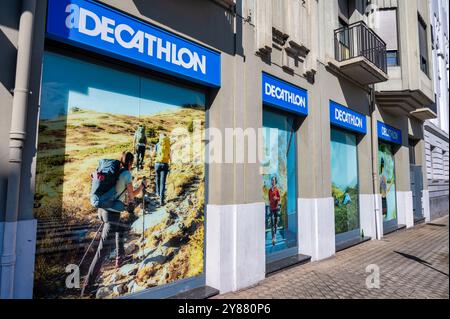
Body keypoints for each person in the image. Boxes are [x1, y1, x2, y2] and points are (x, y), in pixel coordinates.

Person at [81, 152, 147, 297]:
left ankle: (120, 257)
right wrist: (141, 187)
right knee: (102, 250)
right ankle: (87, 286)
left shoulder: (114, 170)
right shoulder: (127, 174)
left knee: (120, 229)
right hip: (112, 213)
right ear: (130, 162)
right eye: (132, 162)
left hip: (102, 209)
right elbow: (132, 195)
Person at [152, 133, 171, 206]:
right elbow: (170, 156)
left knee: (157, 178)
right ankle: (161, 200)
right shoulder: (168, 145)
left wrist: (152, 152)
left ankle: (157, 193)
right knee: (163, 182)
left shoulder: (157, 144)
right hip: (165, 164)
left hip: (157, 164)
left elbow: (153, 154)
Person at [268, 176, 281, 247]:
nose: (273, 181)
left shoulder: (277, 190)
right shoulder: (270, 190)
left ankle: (275, 236)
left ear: (275, 181)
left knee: (275, 223)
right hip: (271, 208)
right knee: (272, 222)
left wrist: (276, 198)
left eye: (274, 180)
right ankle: (273, 238)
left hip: (276, 208)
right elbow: (269, 198)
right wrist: (270, 204)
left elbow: (279, 198)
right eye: (272, 180)